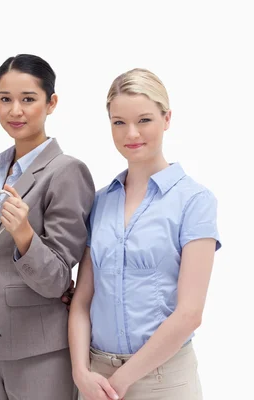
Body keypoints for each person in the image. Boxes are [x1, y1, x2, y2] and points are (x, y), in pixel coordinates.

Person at [68, 68, 221, 400]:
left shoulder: (194, 201)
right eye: (119, 122)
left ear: (167, 119)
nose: (131, 133)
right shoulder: (100, 202)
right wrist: (81, 373)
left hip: (164, 379)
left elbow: (190, 313)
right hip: (96, 378)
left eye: (145, 120)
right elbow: (82, 300)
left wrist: (122, 381)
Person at [0, 54, 95, 400]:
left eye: (28, 99)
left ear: (51, 103)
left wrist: (24, 235)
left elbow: (57, 280)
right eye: (5, 99)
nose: (15, 111)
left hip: (38, 353)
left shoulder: (67, 172)